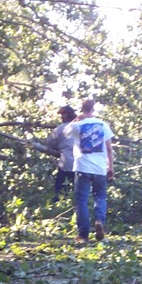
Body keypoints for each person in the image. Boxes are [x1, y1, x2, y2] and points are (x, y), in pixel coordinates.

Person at [63, 99, 115, 242]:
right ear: (94, 109)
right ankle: (99, 221)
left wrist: (75, 119)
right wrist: (111, 167)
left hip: (82, 167)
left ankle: (83, 234)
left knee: (82, 201)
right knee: (100, 197)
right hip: (100, 168)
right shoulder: (103, 125)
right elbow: (109, 148)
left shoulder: (77, 125)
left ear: (81, 109)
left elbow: (65, 132)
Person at [34, 105, 77, 203]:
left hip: (67, 165)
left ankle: (59, 206)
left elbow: (49, 144)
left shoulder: (60, 129)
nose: (61, 117)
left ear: (66, 115)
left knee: (60, 191)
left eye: (62, 115)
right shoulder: (81, 127)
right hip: (83, 165)